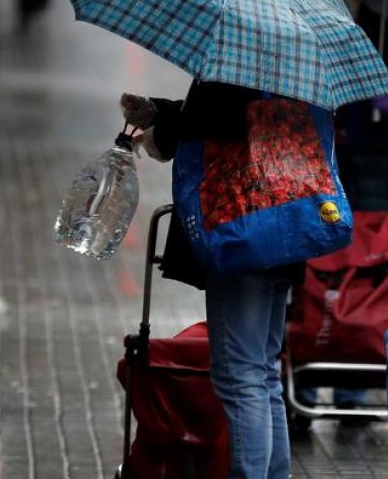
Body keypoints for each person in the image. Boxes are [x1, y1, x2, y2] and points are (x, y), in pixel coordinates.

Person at [121, 83, 305, 478]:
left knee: (240, 376)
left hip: (241, 230)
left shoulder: (237, 60)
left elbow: (214, 118)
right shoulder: (291, 70)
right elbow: (222, 114)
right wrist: (159, 111)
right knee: (262, 370)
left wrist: (161, 129)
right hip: (282, 228)